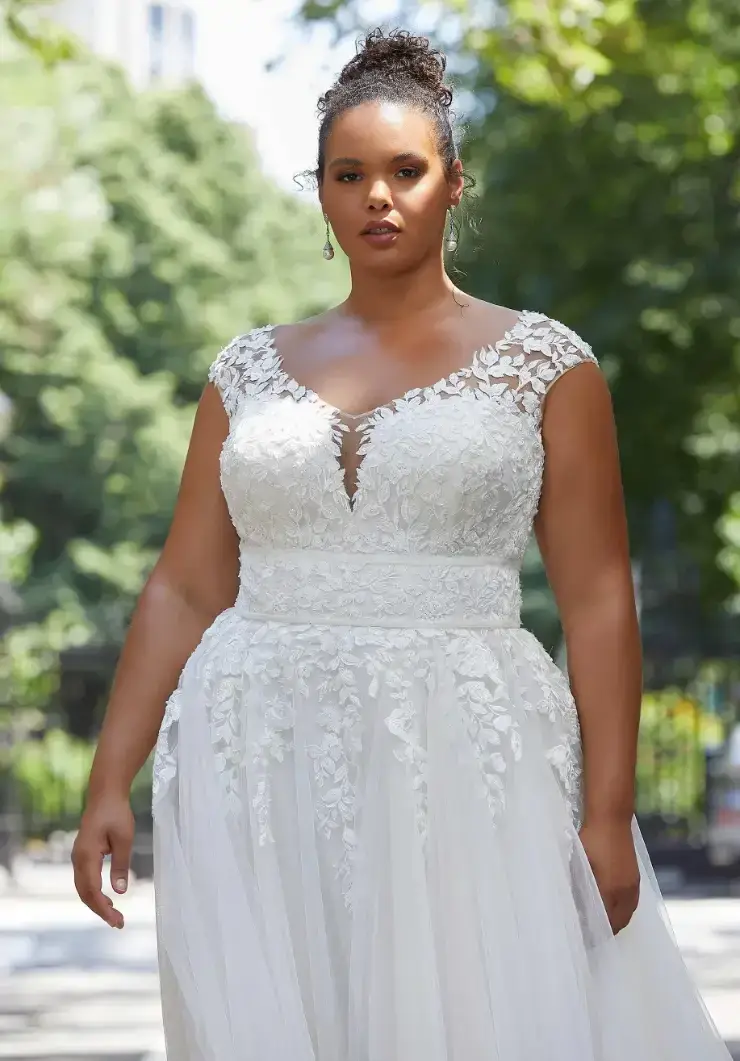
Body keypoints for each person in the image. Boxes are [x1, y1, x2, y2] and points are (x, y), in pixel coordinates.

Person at [72, 27, 732, 1061]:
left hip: (462, 748)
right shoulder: (243, 368)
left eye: (404, 171)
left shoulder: (545, 366)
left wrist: (607, 811)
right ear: (321, 191)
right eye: (348, 174)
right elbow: (184, 584)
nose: (376, 195)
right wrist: (107, 777)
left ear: (452, 183)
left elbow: (599, 596)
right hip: (253, 747)